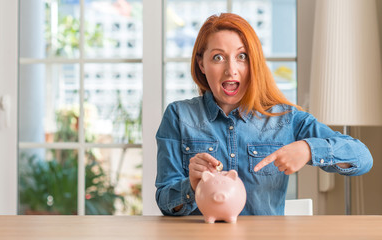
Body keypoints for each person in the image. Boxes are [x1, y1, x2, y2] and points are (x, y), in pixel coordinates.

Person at [155, 13, 373, 216]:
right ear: (202, 64)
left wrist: (308, 149)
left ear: (254, 63)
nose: (231, 69)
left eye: (242, 56)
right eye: (218, 57)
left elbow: (362, 157)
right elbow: (165, 202)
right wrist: (191, 186)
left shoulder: (286, 118)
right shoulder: (178, 115)